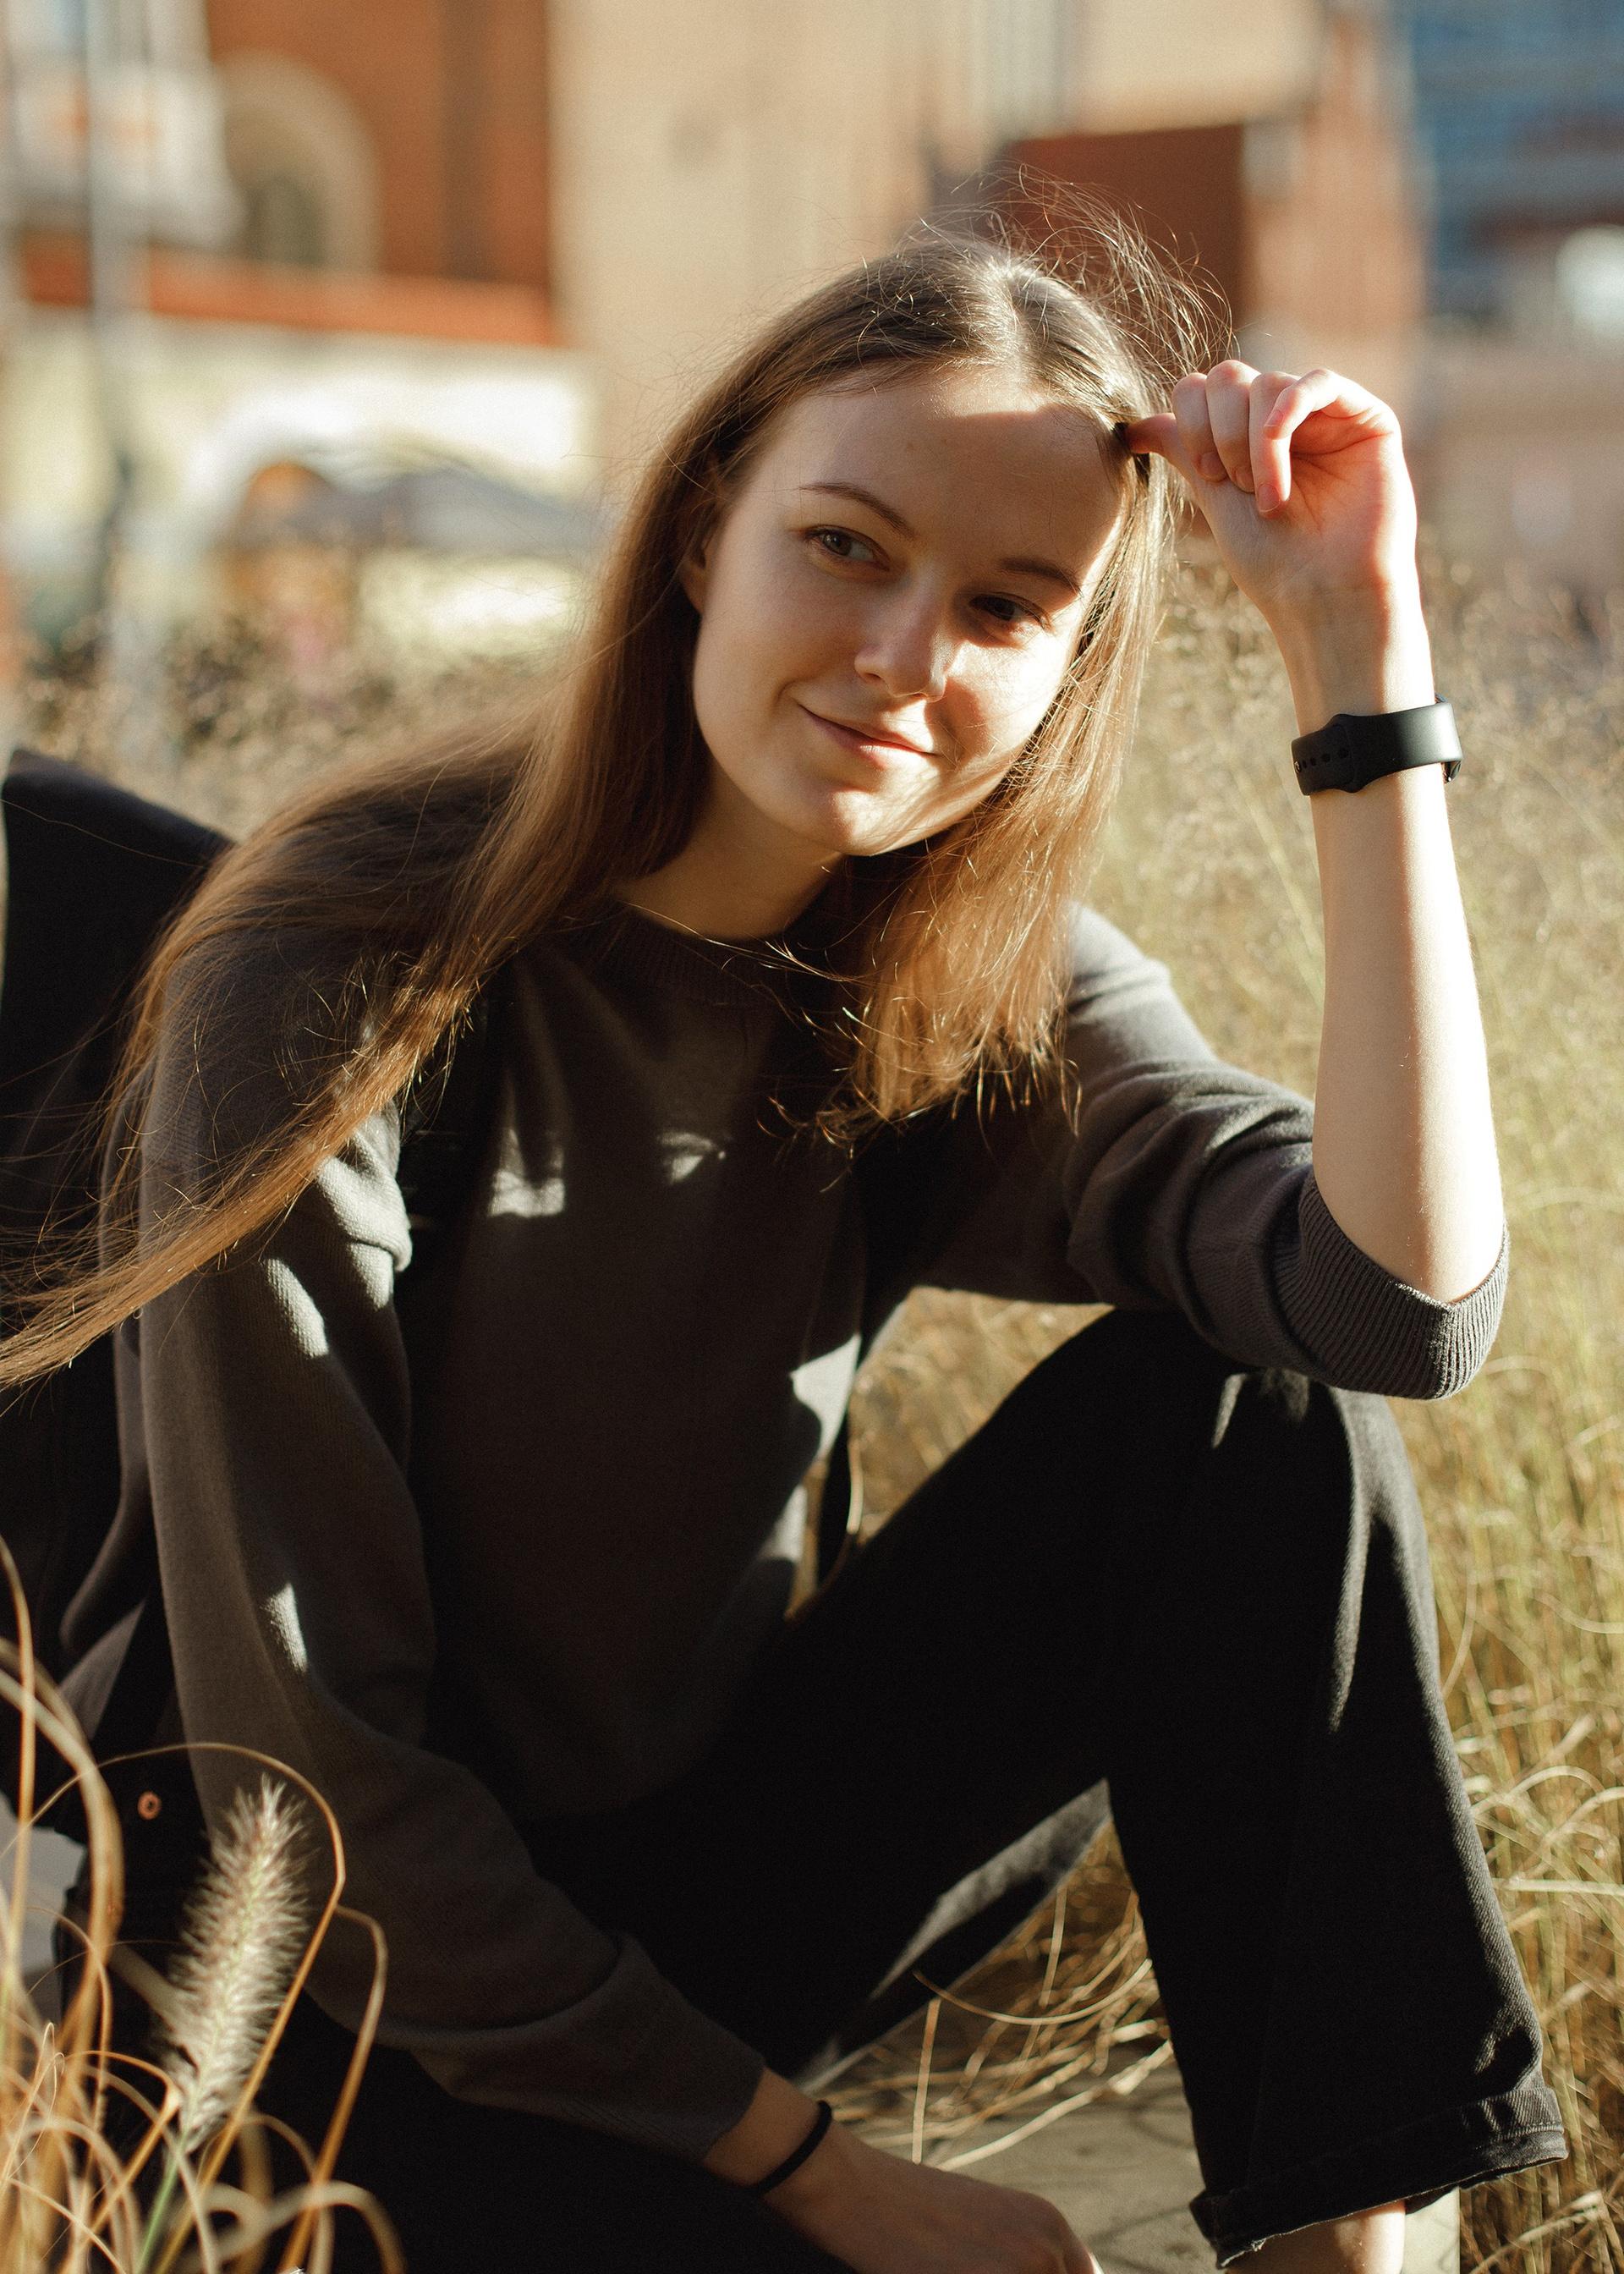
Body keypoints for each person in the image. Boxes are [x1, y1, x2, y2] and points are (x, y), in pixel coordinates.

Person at [9, 217, 1563, 2272]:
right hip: (338, 2018)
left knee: (1256, 1414)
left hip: (701, 1906)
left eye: (1006, 606)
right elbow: (318, 1800)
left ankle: (1348, 2253)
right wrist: (832, 2182)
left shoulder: (960, 987)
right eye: (846, 547)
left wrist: (1362, 675)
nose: (907, 657)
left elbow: (1395, 1306)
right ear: (702, 531)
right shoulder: (340, 972)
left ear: (1069, 665)